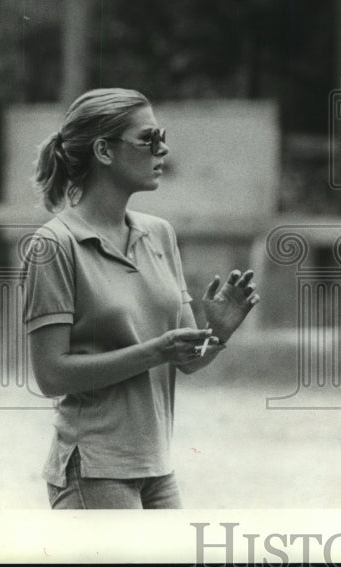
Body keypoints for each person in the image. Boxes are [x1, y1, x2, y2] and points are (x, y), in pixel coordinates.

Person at [23, 88, 259, 509]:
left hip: (156, 469)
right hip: (93, 471)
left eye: (161, 135)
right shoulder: (54, 245)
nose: (162, 148)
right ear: (104, 151)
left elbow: (186, 360)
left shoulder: (160, 234)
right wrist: (155, 351)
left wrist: (216, 334)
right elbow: (51, 376)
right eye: (148, 139)